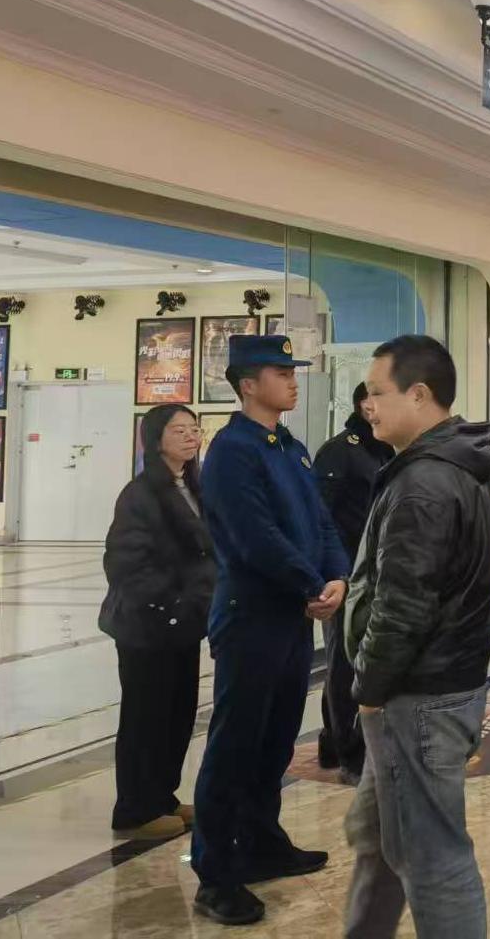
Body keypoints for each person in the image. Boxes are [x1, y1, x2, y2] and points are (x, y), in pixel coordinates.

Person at [343, 335, 490, 939]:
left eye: (377, 392)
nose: (368, 405)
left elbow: (404, 606)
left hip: (417, 693)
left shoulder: (425, 483)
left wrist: (369, 688)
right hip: (438, 682)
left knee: (432, 859)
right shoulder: (454, 464)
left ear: (418, 394)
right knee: (382, 841)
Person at [192, 335, 349, 926]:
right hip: (252, 616)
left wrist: (336, 575)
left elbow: (321, 522)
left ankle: (261, 842)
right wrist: (312, 584)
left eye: (292, 371)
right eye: (280, 372)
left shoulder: (290, 447)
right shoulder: (232, 451)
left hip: (291, 615)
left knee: (277, 739)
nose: (292, 380)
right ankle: (215, 875)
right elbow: (255, 537)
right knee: (236, 744)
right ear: (248, 384)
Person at [99, 404, 215, 841]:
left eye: (193, 428)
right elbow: (124, 562)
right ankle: (135, 808)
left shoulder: (194, 487)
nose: (190, 436)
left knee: (177, 713)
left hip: (183, 623)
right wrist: (170, 600)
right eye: (178, 429)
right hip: (145, 625)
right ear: (155, 438)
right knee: (145, 716)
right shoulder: (140, 494)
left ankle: (162, 797)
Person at [313, 383, 395, 784]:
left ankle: (335, 741)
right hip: (346, 576)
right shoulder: (340, 451)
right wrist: (333, 574)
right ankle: (350, 754)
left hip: (375, 573)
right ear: (365, 404)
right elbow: (321, 518)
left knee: (361, 660)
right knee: (345, 664)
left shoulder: (384, 449)